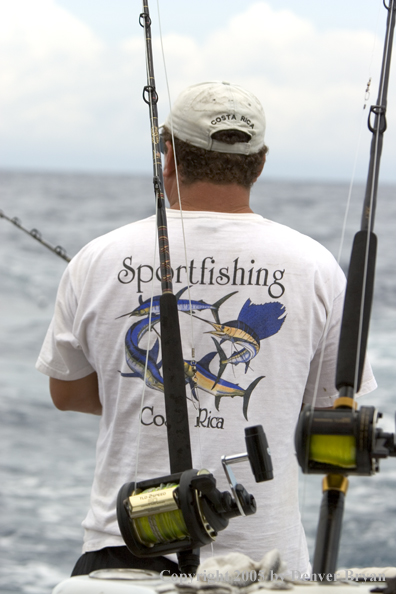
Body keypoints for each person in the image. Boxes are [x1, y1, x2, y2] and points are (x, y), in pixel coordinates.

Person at [36, 81, 376, 578]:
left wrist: (157, 389)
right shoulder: (316, 267)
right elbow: (330, 414)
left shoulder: (97, 258)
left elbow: (67, 393)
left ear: (166, 155)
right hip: (268, 564)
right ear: (259, 163)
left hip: (126, 551)